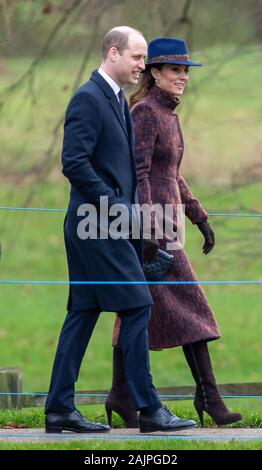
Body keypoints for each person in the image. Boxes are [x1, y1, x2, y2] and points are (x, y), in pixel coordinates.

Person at [45, 28, 197, 434]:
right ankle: (149, 409)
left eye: (144, 58)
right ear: (113, 53)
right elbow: (74, 163)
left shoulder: (114, 99)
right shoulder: (88, 98)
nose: (142, 66)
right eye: (136, 57)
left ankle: (59, 408)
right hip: (95, 227)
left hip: (106, 226)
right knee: (137, 304)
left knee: (83, 312)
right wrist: (114, 205)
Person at [107, 37, 242, 428]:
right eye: (174, 70)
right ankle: (210, 398)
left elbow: (172, 174)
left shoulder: (168, 114)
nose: (182, 77)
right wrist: (148, 229)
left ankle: (120, 394)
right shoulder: (146, 112)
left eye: (185, 70)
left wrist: (199, 216)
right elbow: (141, 174)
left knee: (136, 308)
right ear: (154, 73)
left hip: (168, 226)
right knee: (193, 310)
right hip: (154, 230)